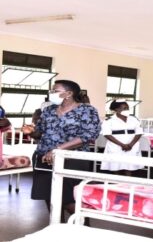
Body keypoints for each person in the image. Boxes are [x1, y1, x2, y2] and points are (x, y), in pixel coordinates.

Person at [21, 80, 101, 221]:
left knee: (70, 199)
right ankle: (57, 226)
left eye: (55, 90)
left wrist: (57, 150)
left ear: (68, 93)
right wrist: (31, 132)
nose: (51, 93)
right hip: (44, 158)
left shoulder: (87, 111)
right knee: (49, 196)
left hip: (73, 159)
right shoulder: (49, 110)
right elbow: (40, 133)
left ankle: (82, 229)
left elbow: (88, 136)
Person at [100, 100, 144, 175]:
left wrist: (131, 145)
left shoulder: (134, 119)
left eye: (127, 108)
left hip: (131, 144)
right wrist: (122, 145)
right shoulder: (109, 120)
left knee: (129, 166)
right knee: (116, 165)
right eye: (124, 108)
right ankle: (117, 184)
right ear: (116, 109)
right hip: (116, 145)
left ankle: (128, 184)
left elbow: (139, 132)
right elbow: (107, 134)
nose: (126, 110)